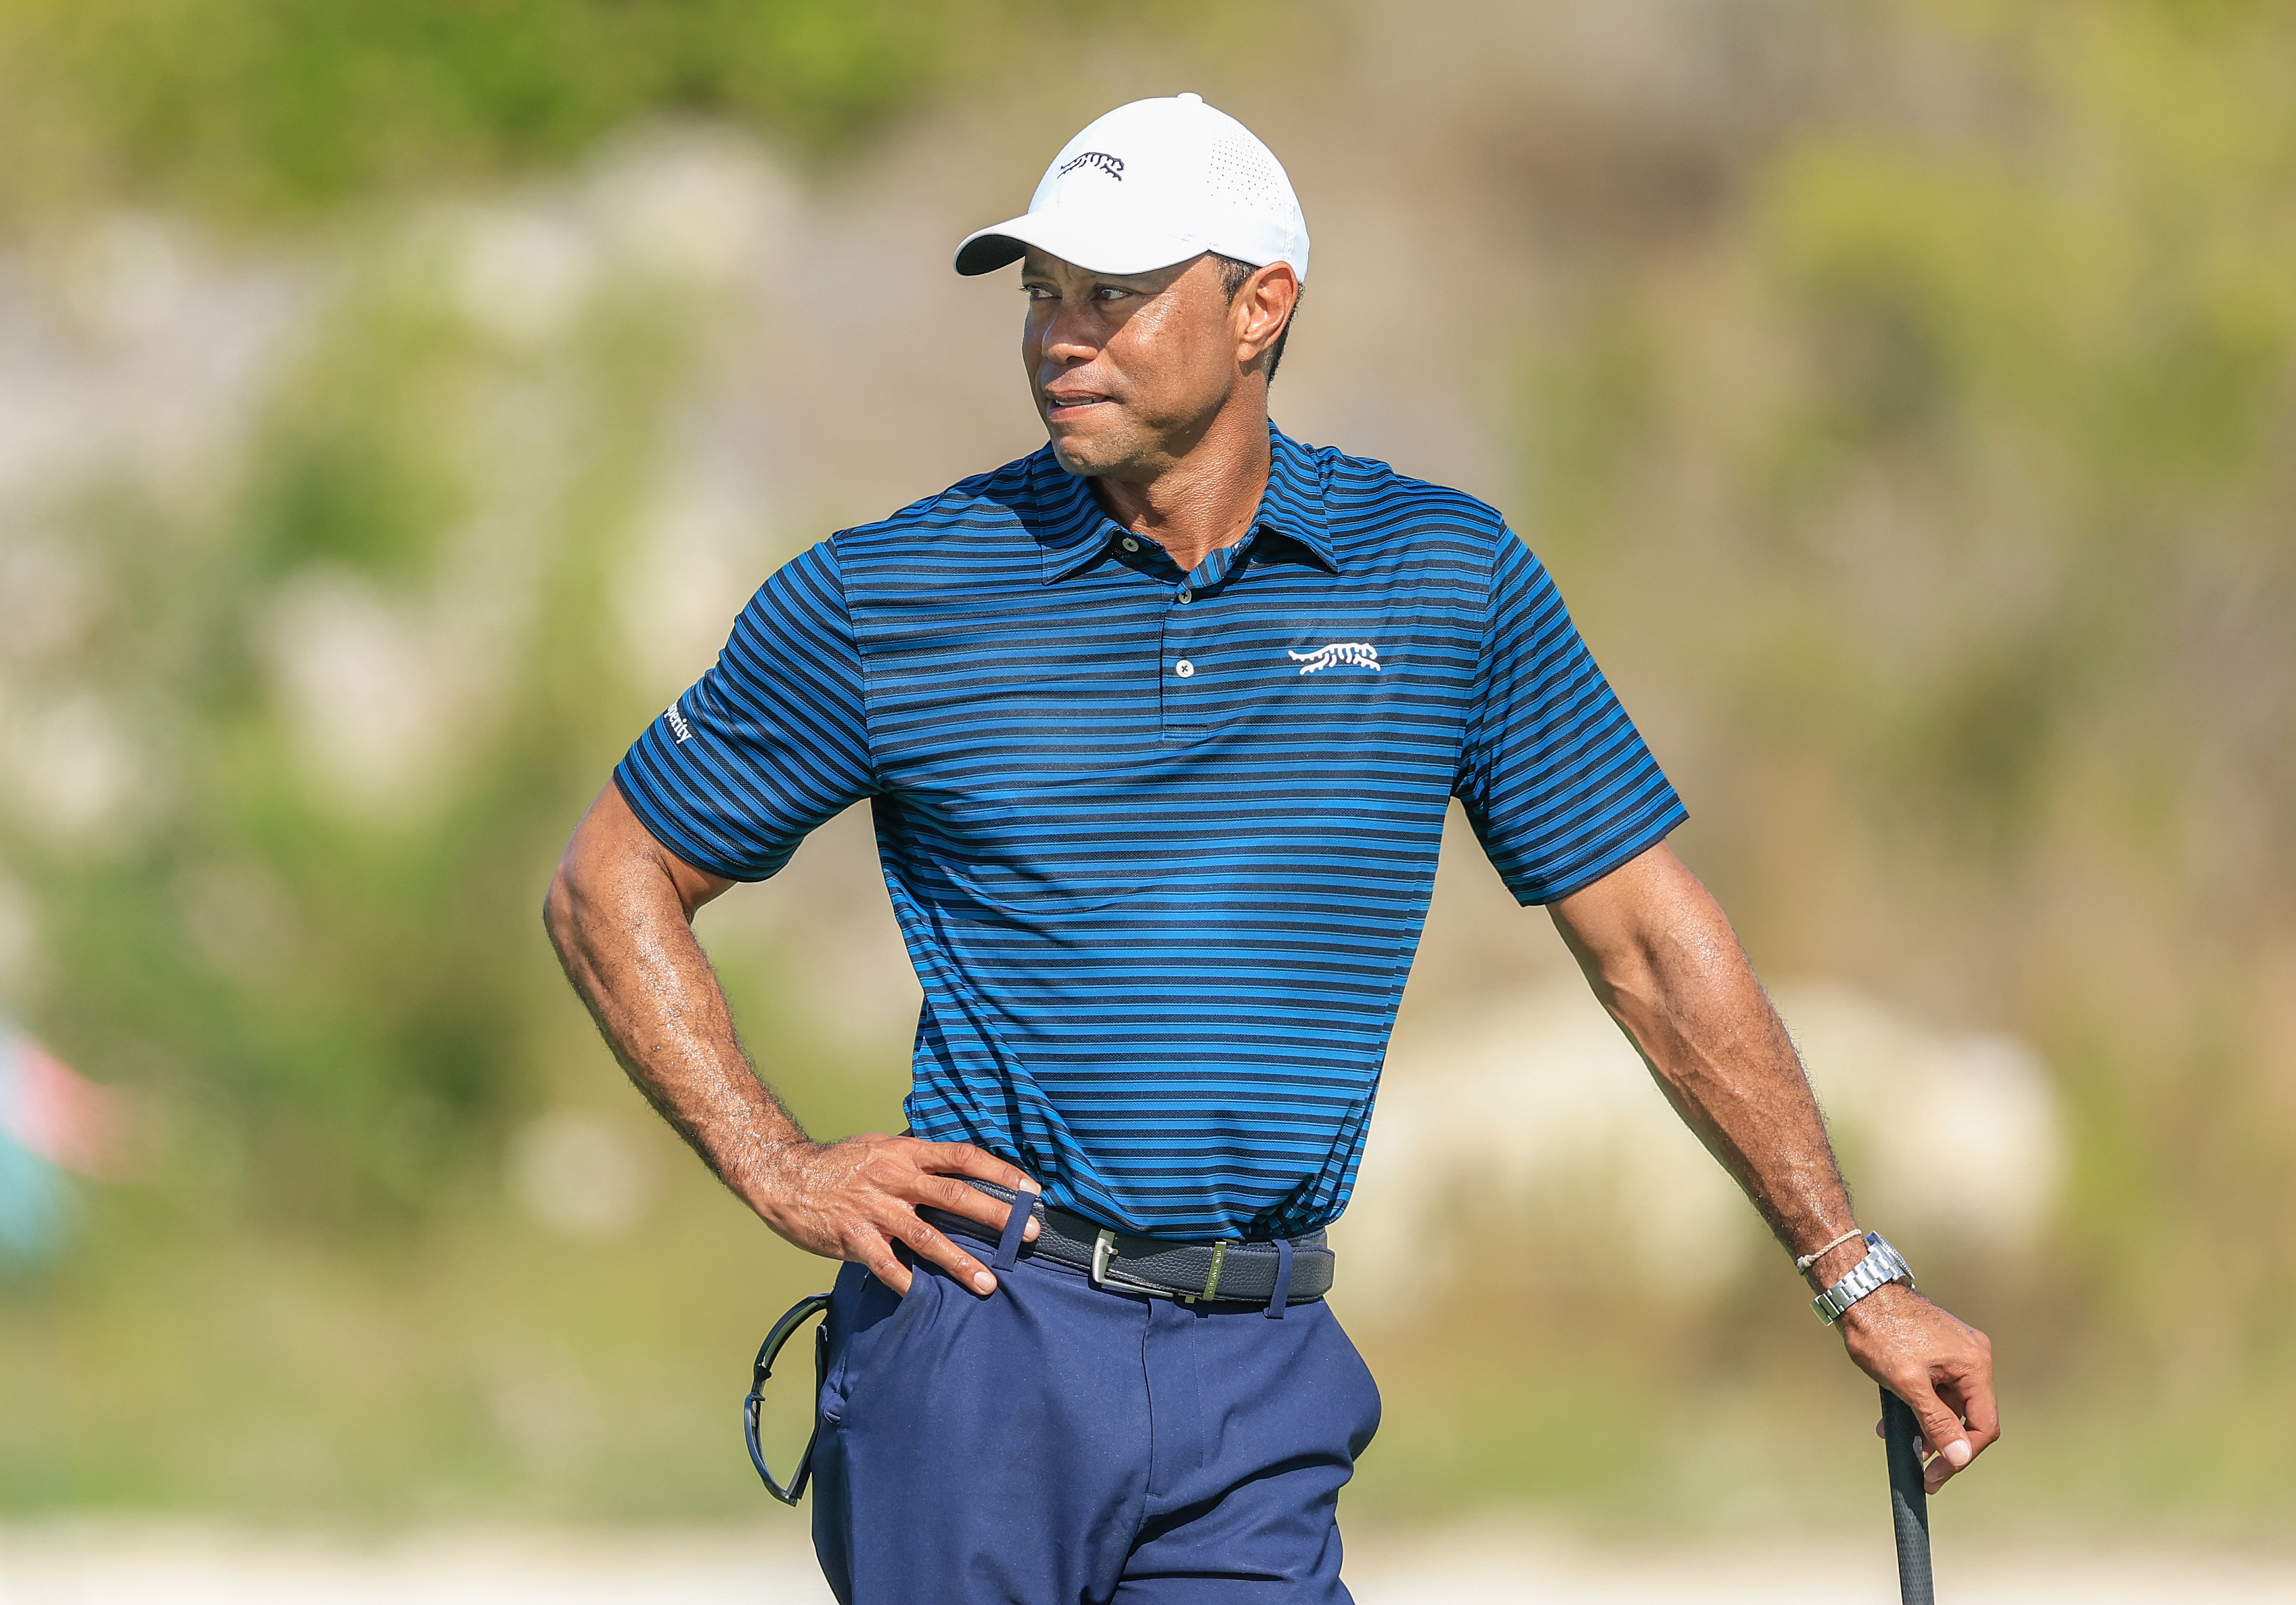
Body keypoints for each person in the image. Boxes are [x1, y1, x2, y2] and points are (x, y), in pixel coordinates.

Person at [545, 93, 1996, 1604]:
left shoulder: (1443, 579)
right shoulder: (894, 593)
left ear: (1260, 307)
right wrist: (779, 1164)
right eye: (1041, 292)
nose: (1059, 333)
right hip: (985, 1340)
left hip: (1261, 1367)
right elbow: (611, 875)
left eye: (1112, 293)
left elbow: (1641, 935)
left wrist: (1855, 1274)